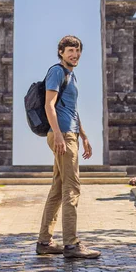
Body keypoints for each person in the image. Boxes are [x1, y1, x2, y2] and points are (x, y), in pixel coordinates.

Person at [36, 35, 101, 259]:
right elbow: (49, 105)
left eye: (78, 50)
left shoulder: (72, 76)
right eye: (70, 50)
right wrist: (58, 136)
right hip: (62, 135)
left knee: (58, 188)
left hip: (70, 134)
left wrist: (84, 136)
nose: (75, 54)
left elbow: (72, 110)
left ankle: (44, 241)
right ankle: (71, 244)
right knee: (72, 188)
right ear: (61, 52)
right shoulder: (57, 72)